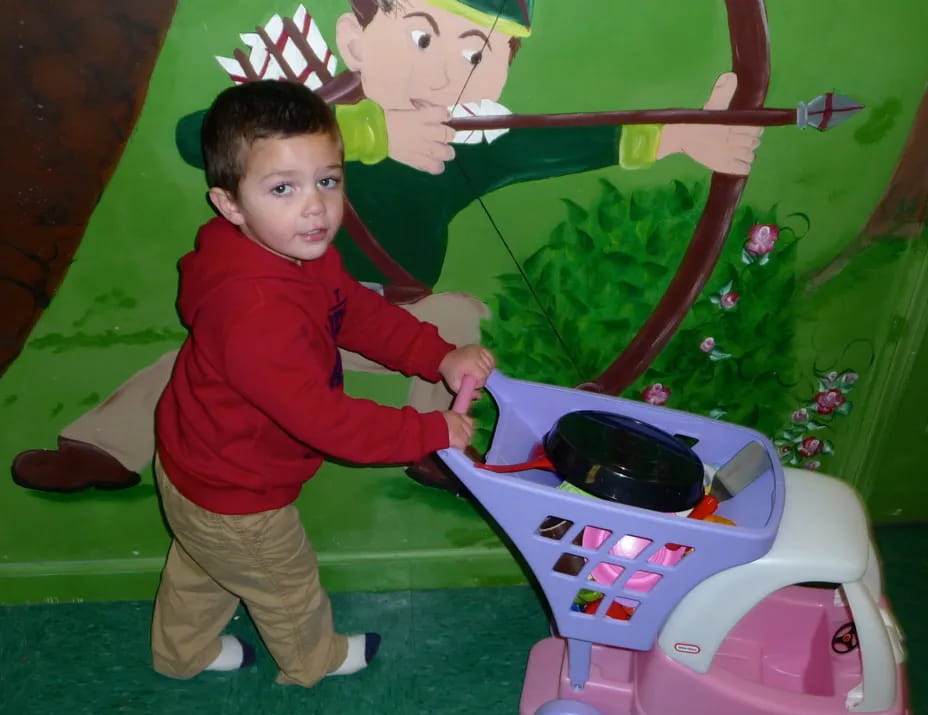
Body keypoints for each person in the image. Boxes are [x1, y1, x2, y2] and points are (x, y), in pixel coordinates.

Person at [11, 0, 761, 495]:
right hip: (280, 300)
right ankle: (103, 447)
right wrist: (369, 133)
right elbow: (195, 135)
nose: (443, 68)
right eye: (424, 35)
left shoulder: (472, 137)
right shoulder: (321, 117)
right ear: (354, 38)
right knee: (204, 355)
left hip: (384, 311)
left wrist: (683, 135)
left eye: (477, 50)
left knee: (457, 315)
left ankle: (431, 448)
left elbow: (559, 146)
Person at [149, 79, 495, 684]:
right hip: (240, 488)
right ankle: (314, 660)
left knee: (202, 566)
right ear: (230, 205)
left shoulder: (292, 253)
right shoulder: (255, 313)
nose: (315, 207)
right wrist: (429, 431)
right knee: (287, 587)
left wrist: (437, 357)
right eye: (283, 188)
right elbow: (327, 420)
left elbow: (356, 313)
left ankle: (181, 653)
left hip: (201, 466)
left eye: (327, 181)